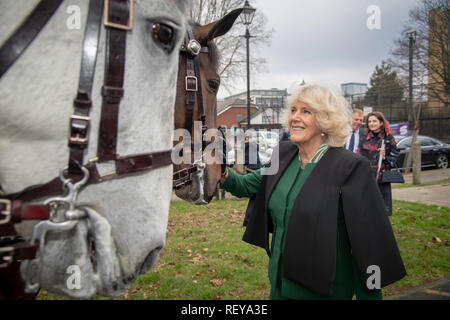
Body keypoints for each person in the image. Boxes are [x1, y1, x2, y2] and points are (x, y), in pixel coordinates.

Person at [220, 85, 406, 300]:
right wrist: (219, 170)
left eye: (306, 111)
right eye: (293, 110)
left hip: (324, 291)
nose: (295, 117)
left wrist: (372, 296)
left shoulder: (350, 168)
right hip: (279, 286)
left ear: (326, 120)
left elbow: (368, 243)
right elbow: (244, 185)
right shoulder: (284, 156)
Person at [358, 111, 400, 216]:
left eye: (375, 121)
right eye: (369, 121)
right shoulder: (364, 137)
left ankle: (383, 229)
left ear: (381, 122)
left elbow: (396, 156)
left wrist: (385, 157)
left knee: (383, 208)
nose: (372, 124)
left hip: (382, 178)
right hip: (367, 177)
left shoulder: (388, 138)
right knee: (367, 207)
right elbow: (359, 155)